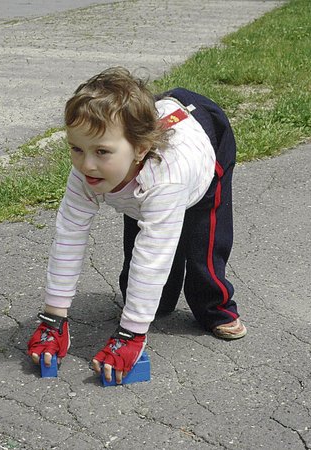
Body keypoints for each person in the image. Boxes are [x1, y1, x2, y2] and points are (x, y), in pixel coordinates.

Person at [27, 67, 247, 384]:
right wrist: (53, 318)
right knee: (144, 283)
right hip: (137, 182)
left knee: (203, 247)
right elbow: (68, 237)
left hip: (204, 142)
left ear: (139, 150)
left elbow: (154, 254)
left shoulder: (166, 178)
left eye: (101, 151)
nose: (86, 164)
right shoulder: (89, 171)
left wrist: (131, 333)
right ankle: (155, 303)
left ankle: (216, 307)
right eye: (76, 149)